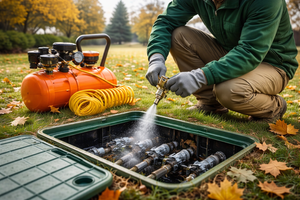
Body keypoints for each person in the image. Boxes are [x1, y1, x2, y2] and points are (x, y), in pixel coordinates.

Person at [146, 0, 298, 122]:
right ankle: (211, 104)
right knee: (179, 36)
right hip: (232, 53)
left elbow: (250, 51)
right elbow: (166, 22)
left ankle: (274, 107)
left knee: (229, 90)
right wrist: (156, 58)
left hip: (273, 64)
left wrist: (199, 76)